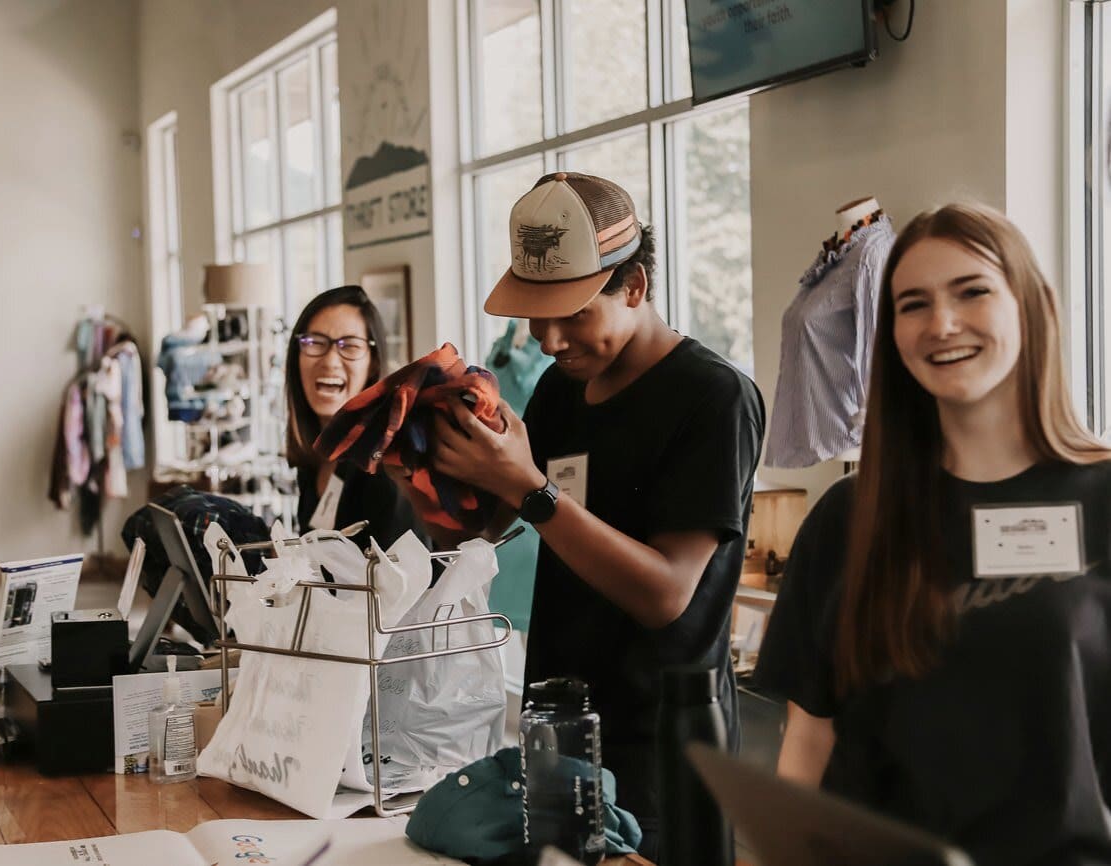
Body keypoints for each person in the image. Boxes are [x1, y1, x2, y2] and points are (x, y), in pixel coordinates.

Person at [405, 172, 764, 852]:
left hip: (661, 752)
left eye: (573, 313)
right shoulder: (559, 393)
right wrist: (423, 468)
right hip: (556, 735)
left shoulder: (713, 398)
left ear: (634, 286)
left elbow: (666, 595)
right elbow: (476, 532)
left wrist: (533, 489)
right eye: (535, 315)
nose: (547, 339)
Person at [754, 203, 1111, 865]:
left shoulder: (1103, 502)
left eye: (972, 291)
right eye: (912, 304)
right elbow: (809, 740)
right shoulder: (847, 518)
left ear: (1029, 305)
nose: (941, 324)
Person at [285, 285, 417, 545]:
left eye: (350, 346)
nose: (330, 361)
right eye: (314, 342)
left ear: (373, 363)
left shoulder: (388, 463)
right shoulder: (313, 458)